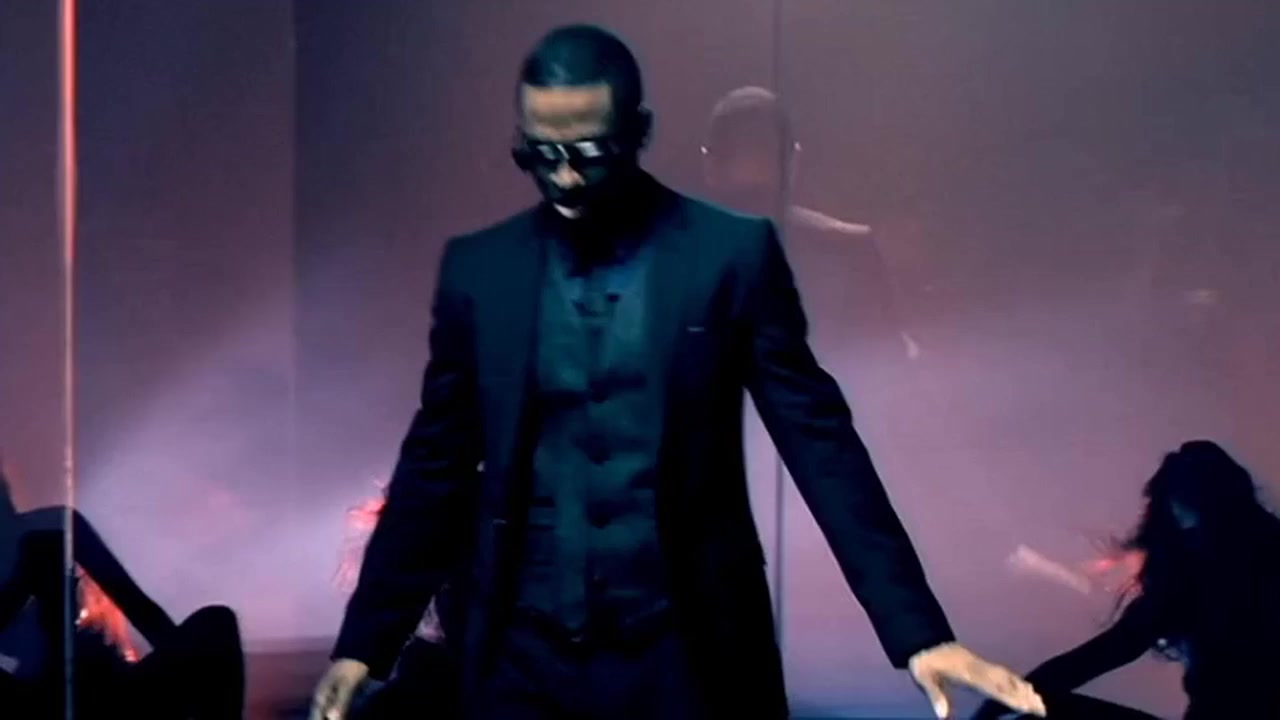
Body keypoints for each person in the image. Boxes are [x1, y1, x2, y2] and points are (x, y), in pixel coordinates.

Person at [313, 24, 1044, 720]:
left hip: (691, 654)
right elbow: (435, 462)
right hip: (521, 659)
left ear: (638, 133)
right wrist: (365, 645)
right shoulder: (481, 270)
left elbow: (820, 443)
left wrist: (920, 635)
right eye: (540, 153)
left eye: (588, 152)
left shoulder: (729, 255)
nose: (564, 175)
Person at [974, 440, 1280, 719]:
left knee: (1044, 711)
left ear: (1174, 506)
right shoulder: (1257, 553)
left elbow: (1102, 654)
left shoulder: (1193, 572)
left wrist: (997, 704)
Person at [0, 459, 245, 718]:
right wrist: (25, 584)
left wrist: (182, 662)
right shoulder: (40, 543)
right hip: (40, 695)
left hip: (107, 682)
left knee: (217, 620)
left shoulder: (57, 523)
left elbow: (136, 604)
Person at [701, 86, 914, 365]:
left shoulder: (662, 259)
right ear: (794, 161)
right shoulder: (849, 252)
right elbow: (890, 372)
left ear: (709, 164)